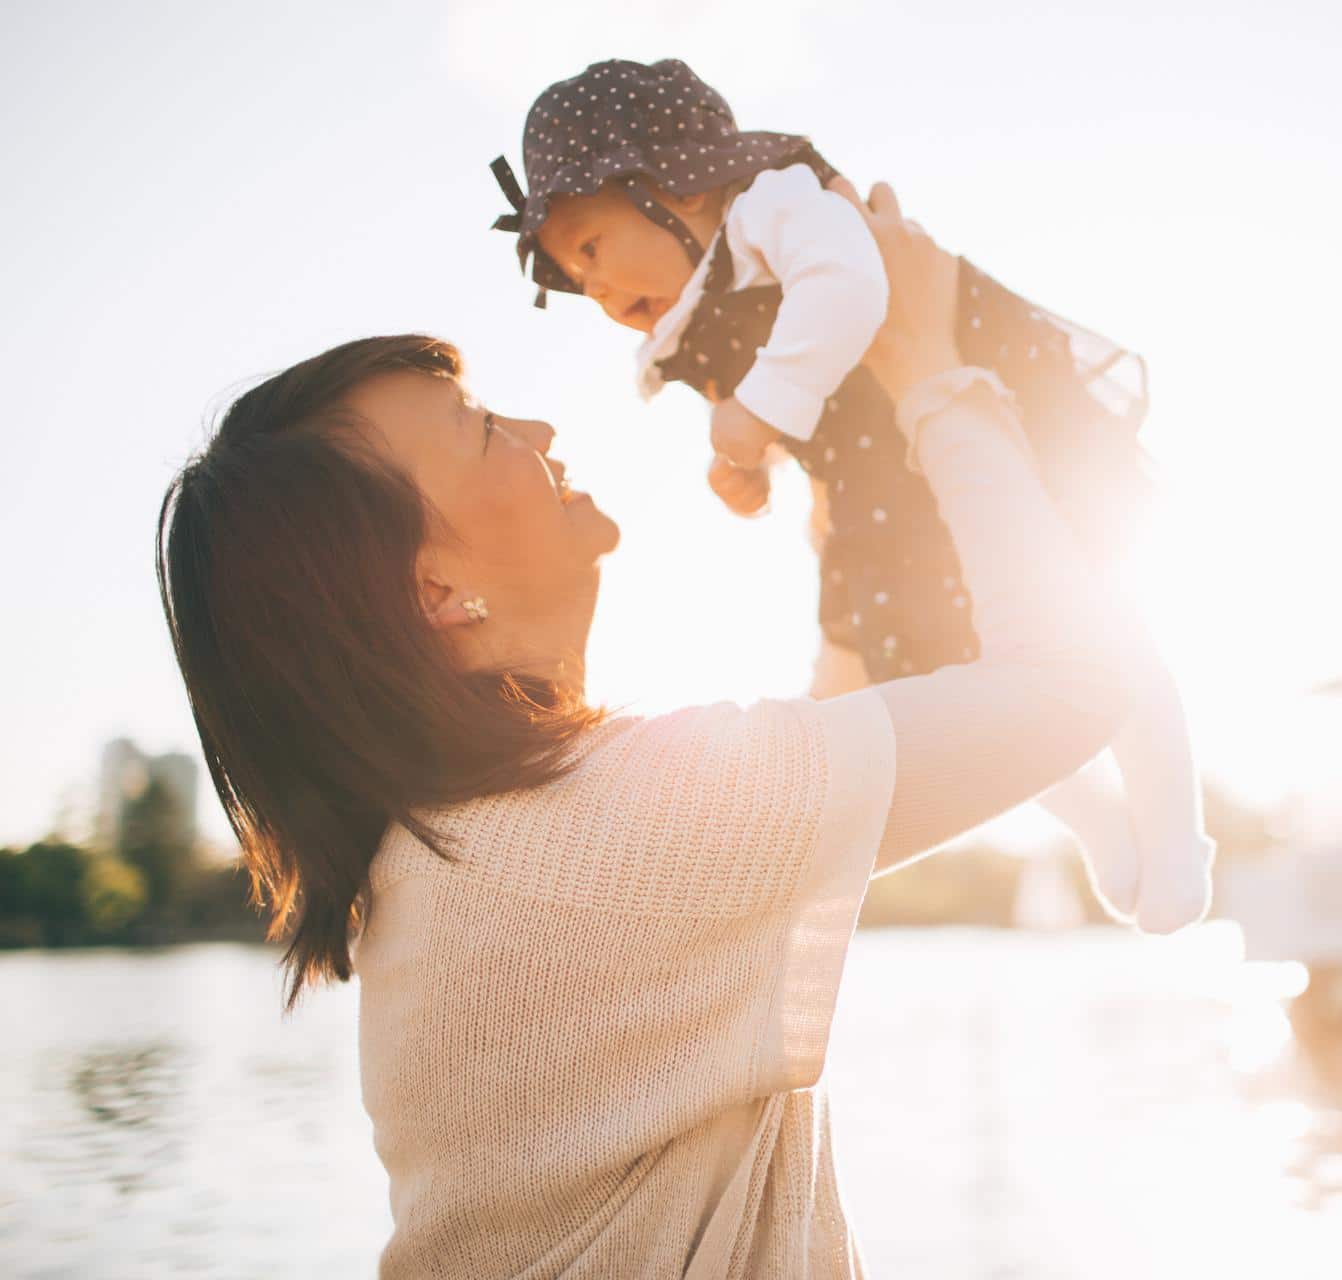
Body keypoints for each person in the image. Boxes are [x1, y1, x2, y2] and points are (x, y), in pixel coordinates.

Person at [157, 182, 1141, 1276]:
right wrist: (931, 374)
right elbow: (1072, 681)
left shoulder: (463, 846)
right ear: (435, 589)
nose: (536, 428)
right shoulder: (606, 823)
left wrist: (849, 526)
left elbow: (824, 755)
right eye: (485, 432)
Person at [488, 57, 1213, 932]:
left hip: (993, 419)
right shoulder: (698, 317)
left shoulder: (772, 207)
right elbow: (777, 420)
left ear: (672, 187)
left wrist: (760, 410)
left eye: (592, 248)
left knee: (1091, 611)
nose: (598, 291)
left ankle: (1177, 832)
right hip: (888, 497)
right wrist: (748, 468)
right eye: (575, 277)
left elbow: (851, 288)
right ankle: (1097, 817)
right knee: (943, 666)